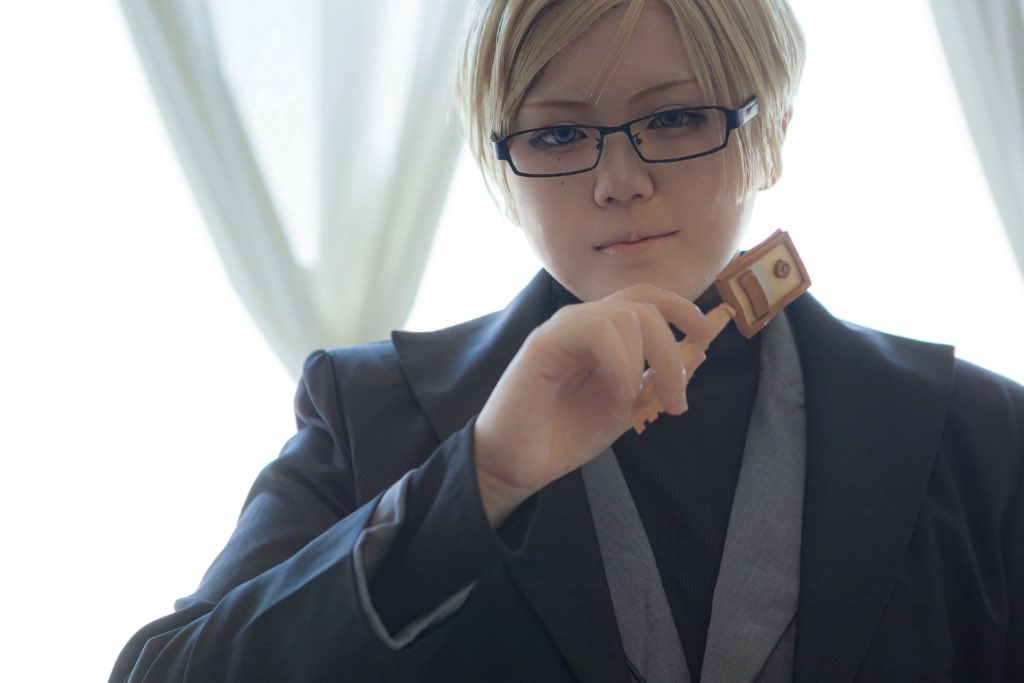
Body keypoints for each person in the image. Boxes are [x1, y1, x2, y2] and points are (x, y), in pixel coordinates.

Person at [111, 0, 1024, 681]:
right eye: (556, 134)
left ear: (772, 128)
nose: (617, 180)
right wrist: (479, 478)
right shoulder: (370, 412)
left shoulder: (980, 436)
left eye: (673, 118)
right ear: (500, 165)